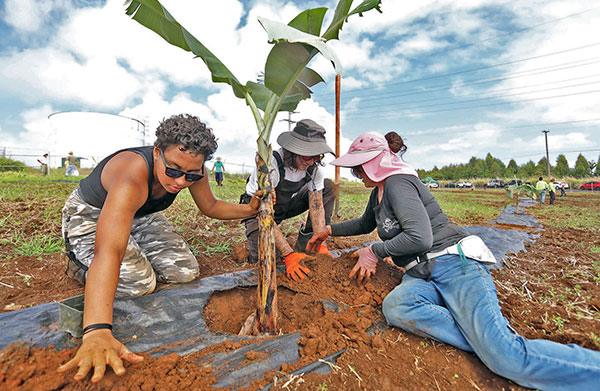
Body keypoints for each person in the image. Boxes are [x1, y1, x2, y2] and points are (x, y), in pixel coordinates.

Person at [306, 131, 600, 391]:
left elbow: (420, 238)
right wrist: (329, 230)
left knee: (507, 360)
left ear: (375, 162)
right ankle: (484, 342)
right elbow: (365, 223)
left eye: (358, 169)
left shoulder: (398, 183)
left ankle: (585, 370)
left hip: (453, 265)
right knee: (397, 307)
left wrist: (375, 251)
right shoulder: (379, 192)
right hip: (419, 274)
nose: (357, 175)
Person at [58, 114, 262, 383]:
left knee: (184, 271)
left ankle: (134, 250)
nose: (180, 182)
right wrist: (97, 331)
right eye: (174, 171)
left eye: (190, 175)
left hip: (141, 216)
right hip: (91, 216)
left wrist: (248, 209)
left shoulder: (192, 168)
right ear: (157, 152)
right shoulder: (130, 176)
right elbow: (109, 252)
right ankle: (76, 263)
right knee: (139, 283)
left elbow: (210, 206)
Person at [240, 119, 335, 280]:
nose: (312, 162)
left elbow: (317, 207)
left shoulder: (314, 168)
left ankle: (308, 244)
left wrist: (321, 242)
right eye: (308, 157)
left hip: (283, 206)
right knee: (270, 259)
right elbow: (262, 211)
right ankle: (249, 249)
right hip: (256, 211)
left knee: (327, 186)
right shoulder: (271, 166)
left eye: (317, 157)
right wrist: (288, 254)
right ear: (293, 151)